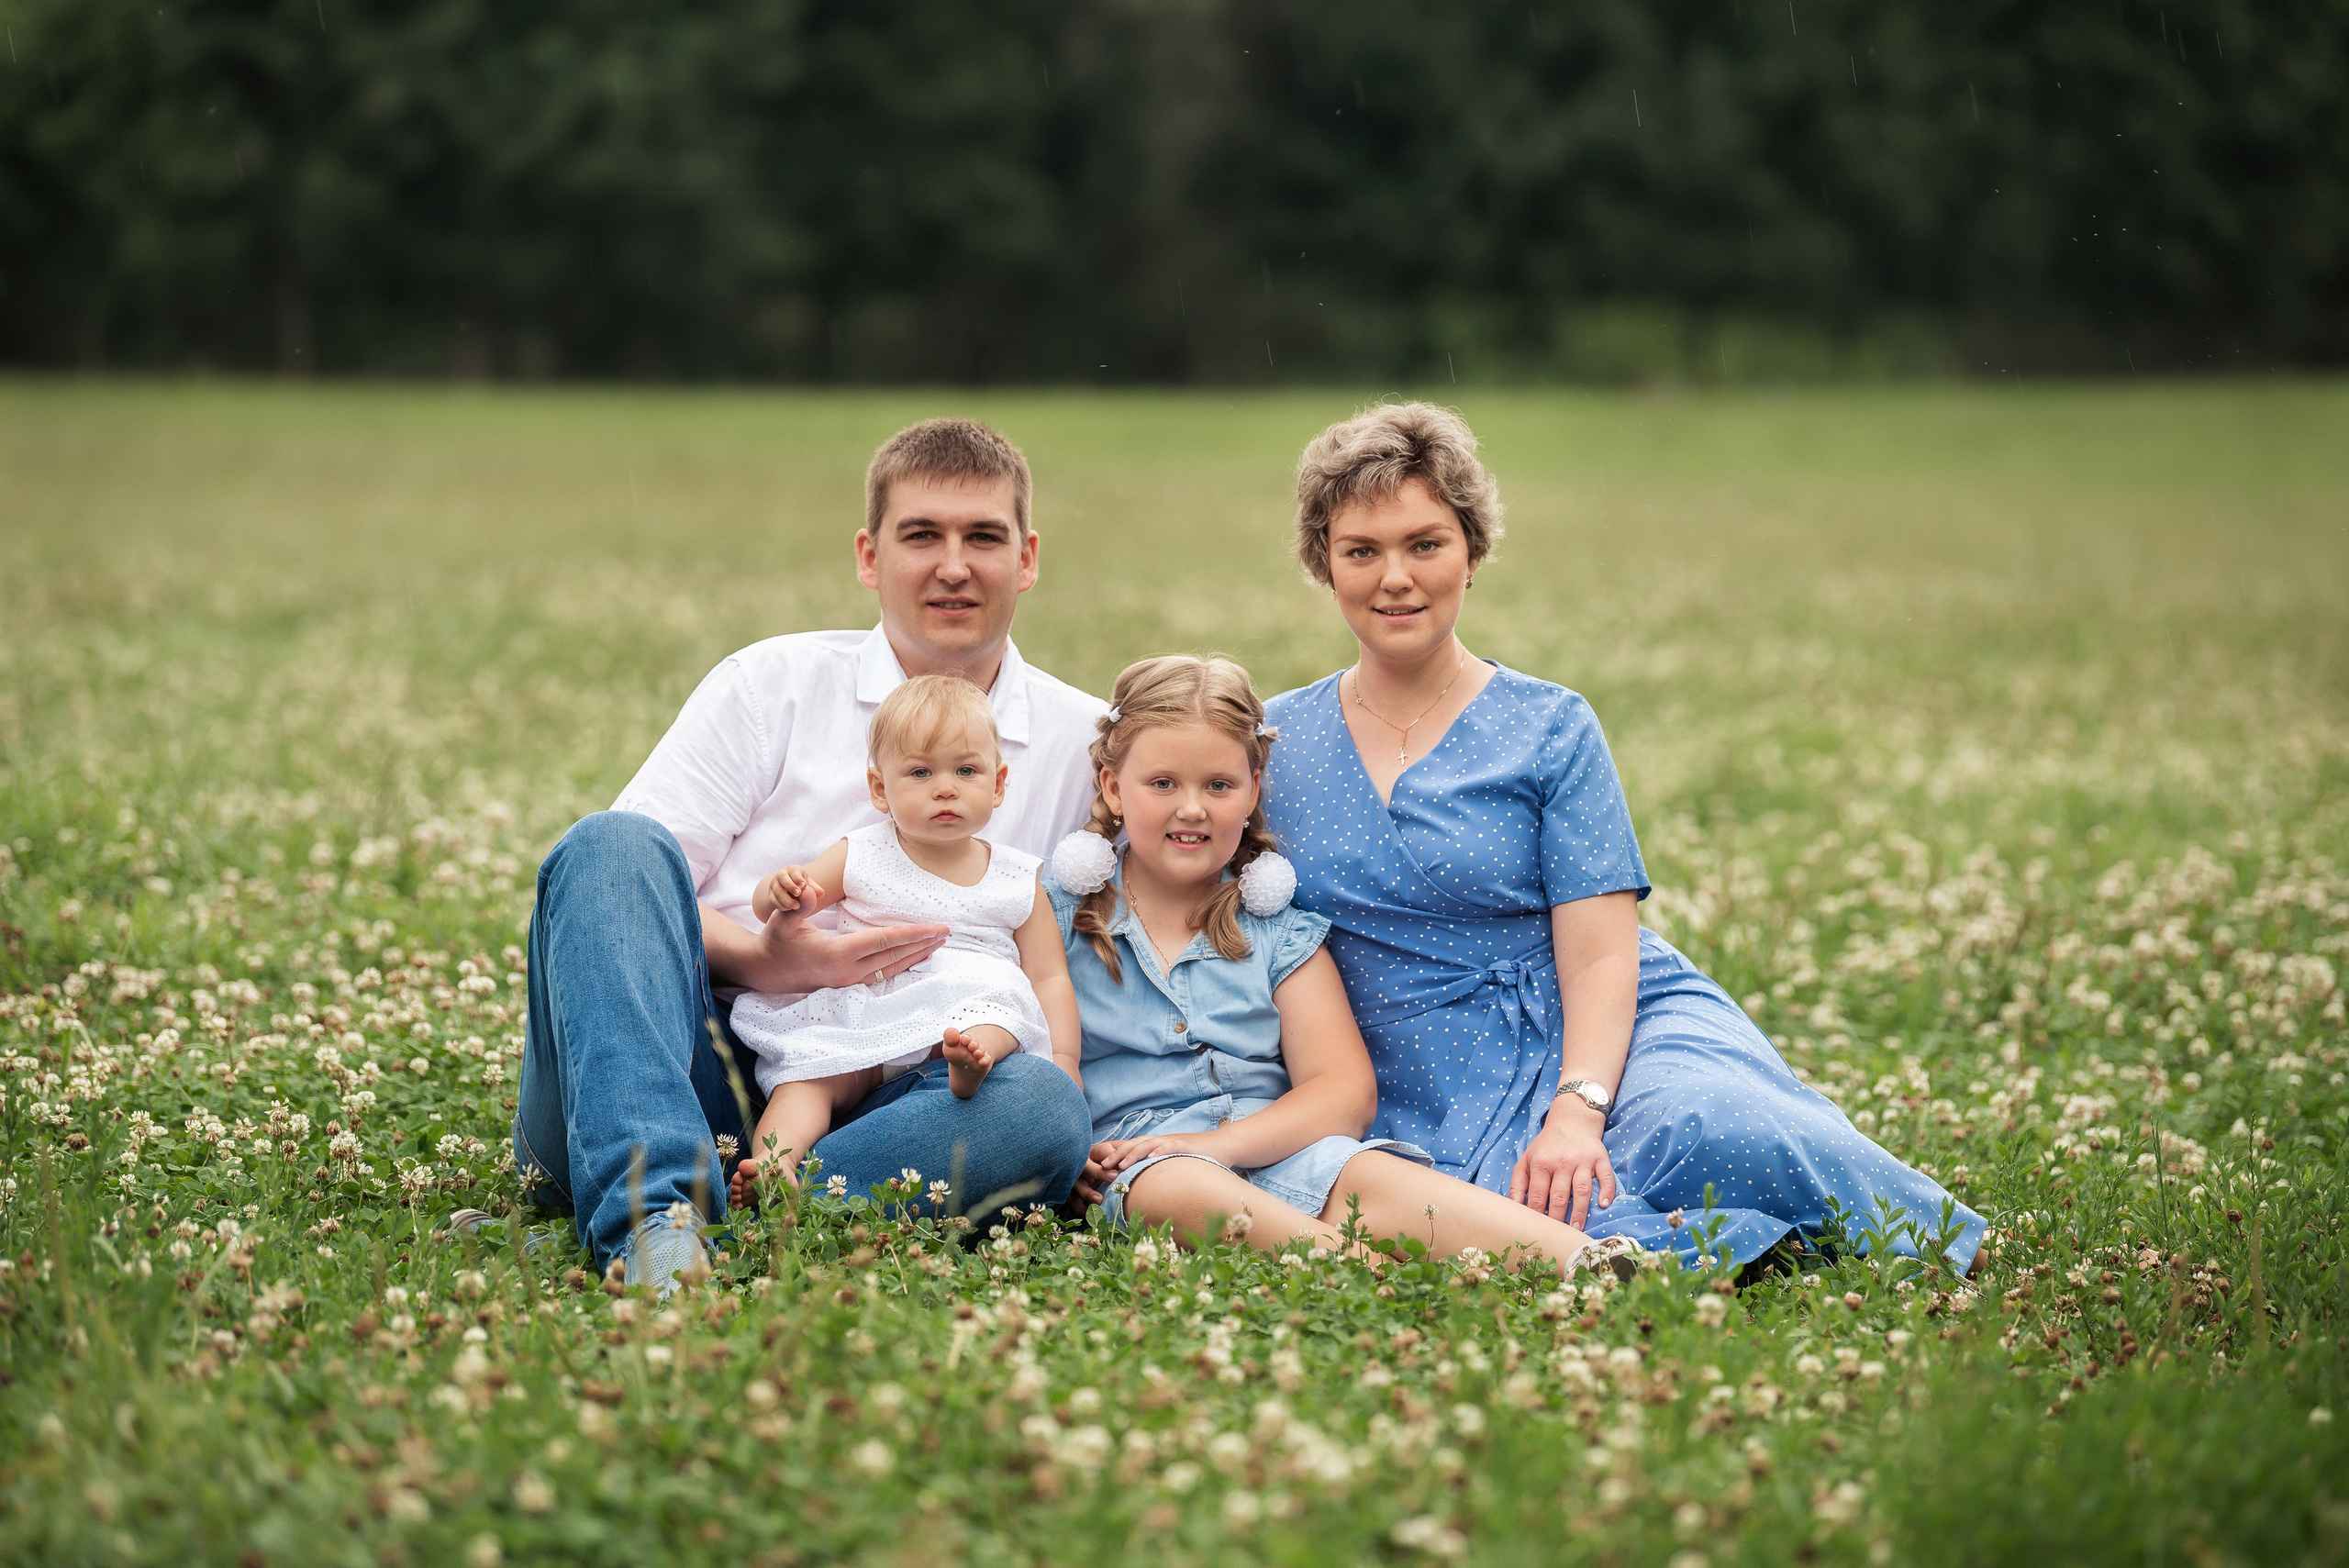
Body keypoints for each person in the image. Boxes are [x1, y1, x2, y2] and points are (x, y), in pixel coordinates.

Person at [1260, 402, 1986, 1274]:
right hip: (1415, 1074)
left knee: (1712, 1128)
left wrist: (1579, 1105)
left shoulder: (1551, 725)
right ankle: (1740, 1251)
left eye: (1426, 543)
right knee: (1516, 1207)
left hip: (1602, 1024)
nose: (1395, 578)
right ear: (1323, 562)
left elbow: (1604, 955)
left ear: (1472, 551)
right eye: (1361, 551)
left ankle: (1950, 1249)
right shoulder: (1273, 742)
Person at [514, 417, 1100, 1291]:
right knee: (609, 841)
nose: (953, 564)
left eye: (983, 536)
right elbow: (622, 900)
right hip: (692, 1064)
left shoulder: (1084, 742)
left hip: (910, 1099)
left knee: (1046, 1104)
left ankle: (768, 1209)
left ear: (1027, 558)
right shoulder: (770, 684)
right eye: (920, 535)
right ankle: (654, 1222)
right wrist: (767, 958)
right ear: (869, 555)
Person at [1047, 653, 1644, 1278]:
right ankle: (1374, 1273)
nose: (1192, 807)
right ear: (1113, 787)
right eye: (1163, 783)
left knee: (1370, 1175)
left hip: (1278, 1142)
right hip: (1140, 1163)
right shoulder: (1061, 915)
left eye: (1219, 785)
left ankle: (1582, 1263)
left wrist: (1216, 1144)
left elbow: (1344, 1091)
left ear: (1253, 790)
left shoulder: (1277, 927)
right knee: (1182, 1190)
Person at [726, 674, 1083, 1206]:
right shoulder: (863, 852)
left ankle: (968, 1066)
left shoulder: (1015, 876)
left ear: (999, 783)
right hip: (868, 1010)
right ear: (879, 789)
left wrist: (1066, 1061)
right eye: (920, 772)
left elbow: (1049, 976)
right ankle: (775, 1168)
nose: (945, 787)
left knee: (999, 1011)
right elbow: (789, 904)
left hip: (964, 1012)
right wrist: (777, 893)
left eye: (966, 771)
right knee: (810, 1078)